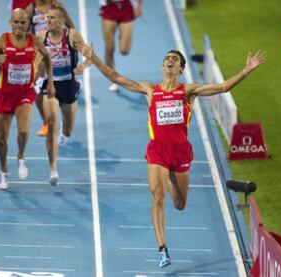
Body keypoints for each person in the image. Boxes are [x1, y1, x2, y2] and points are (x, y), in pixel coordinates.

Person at [77, 41, 266, 268]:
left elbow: (223, 88)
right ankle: (162, 249)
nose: (169, 60)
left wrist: (246, 70)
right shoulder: (150, 90)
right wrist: (93, 57)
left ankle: (166, 177)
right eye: (167, 58)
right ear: (162, 65)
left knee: (179, 203)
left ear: (181, 69)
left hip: (181, 152)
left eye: (175, 59)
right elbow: (115, 77)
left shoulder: (188, 91)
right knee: (157, 197)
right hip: (157, 152)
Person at [0, 8, 54, 190]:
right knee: (1, 138)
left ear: (28, 24)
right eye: (16, 22)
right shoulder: (2, 41)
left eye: (23, 23)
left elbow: (47, 57)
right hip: (5, 94)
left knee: (23, 131)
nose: (19, 26)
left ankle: (21, 157)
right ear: (10, 22)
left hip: (25, 93)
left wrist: (49, 81)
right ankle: (3, 172)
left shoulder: (34, 41)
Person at [36, 7, 90, 185]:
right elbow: (36, 65)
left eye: (52, 18)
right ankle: (53, 170)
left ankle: (64, 134)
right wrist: (34, 78)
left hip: (68, 85)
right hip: (50, 85)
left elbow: (89, 55)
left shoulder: (72, 35)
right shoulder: (41, 37)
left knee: (67, 129)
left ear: (61, 20)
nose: (48, 21)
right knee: (51, 125)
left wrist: (82, 67)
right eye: (47, 18)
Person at [26, 0, 75, 137]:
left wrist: (73, 47)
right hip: (40, 52)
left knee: (60, 88)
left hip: (58, 51)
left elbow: (71, 27)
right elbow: (24, 29)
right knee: (37, 89)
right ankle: (46, 122)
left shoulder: (57, 6)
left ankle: (62, 119)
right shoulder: (31, 7)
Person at [99, 0, 143, 92]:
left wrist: (139, 6)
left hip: (126, 7)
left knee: (124, 50)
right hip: (109, 7)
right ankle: (112, 78)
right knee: (109, 48)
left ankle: (121, 34)